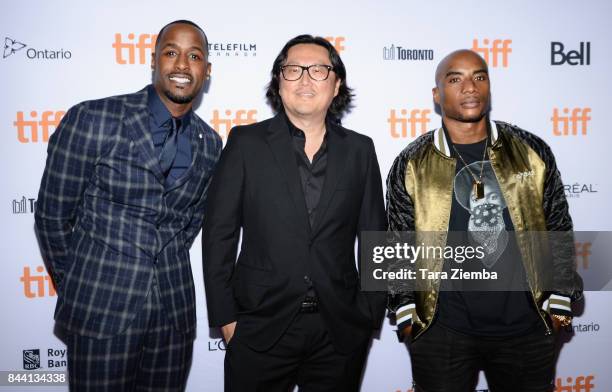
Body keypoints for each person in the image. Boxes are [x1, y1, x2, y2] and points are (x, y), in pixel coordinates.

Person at [34, 20, 221, 391]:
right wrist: (81, 286)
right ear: (154, 60)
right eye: (171, 52)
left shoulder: (210, 143)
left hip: (174, 315)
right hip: (100, 309)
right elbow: (52, 217)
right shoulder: (94, 119)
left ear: (207, 71)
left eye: (194, 56)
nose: (182, 65)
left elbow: (188, 225)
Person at [386, 49, 583, 392]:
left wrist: (560, 301)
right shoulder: (412, 162)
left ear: (489, 87)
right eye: (455, 78)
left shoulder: (530, 149)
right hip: (442, 331)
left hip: (526, 328)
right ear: (437, 94)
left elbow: (558, 226)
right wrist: (406, 313)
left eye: (479, 76)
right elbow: (398, 243)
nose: (469, 87)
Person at [203, 34, 386, 391]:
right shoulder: (245, 143)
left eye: (318, 70)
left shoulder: (360, 150)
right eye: (292, 70)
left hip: (340, 330)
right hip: (259, 325)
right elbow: (218, 234)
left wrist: (368, 315)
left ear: (336, 85)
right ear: (278, 82)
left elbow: (376, 237)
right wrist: (226, 319)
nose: (304, 79)